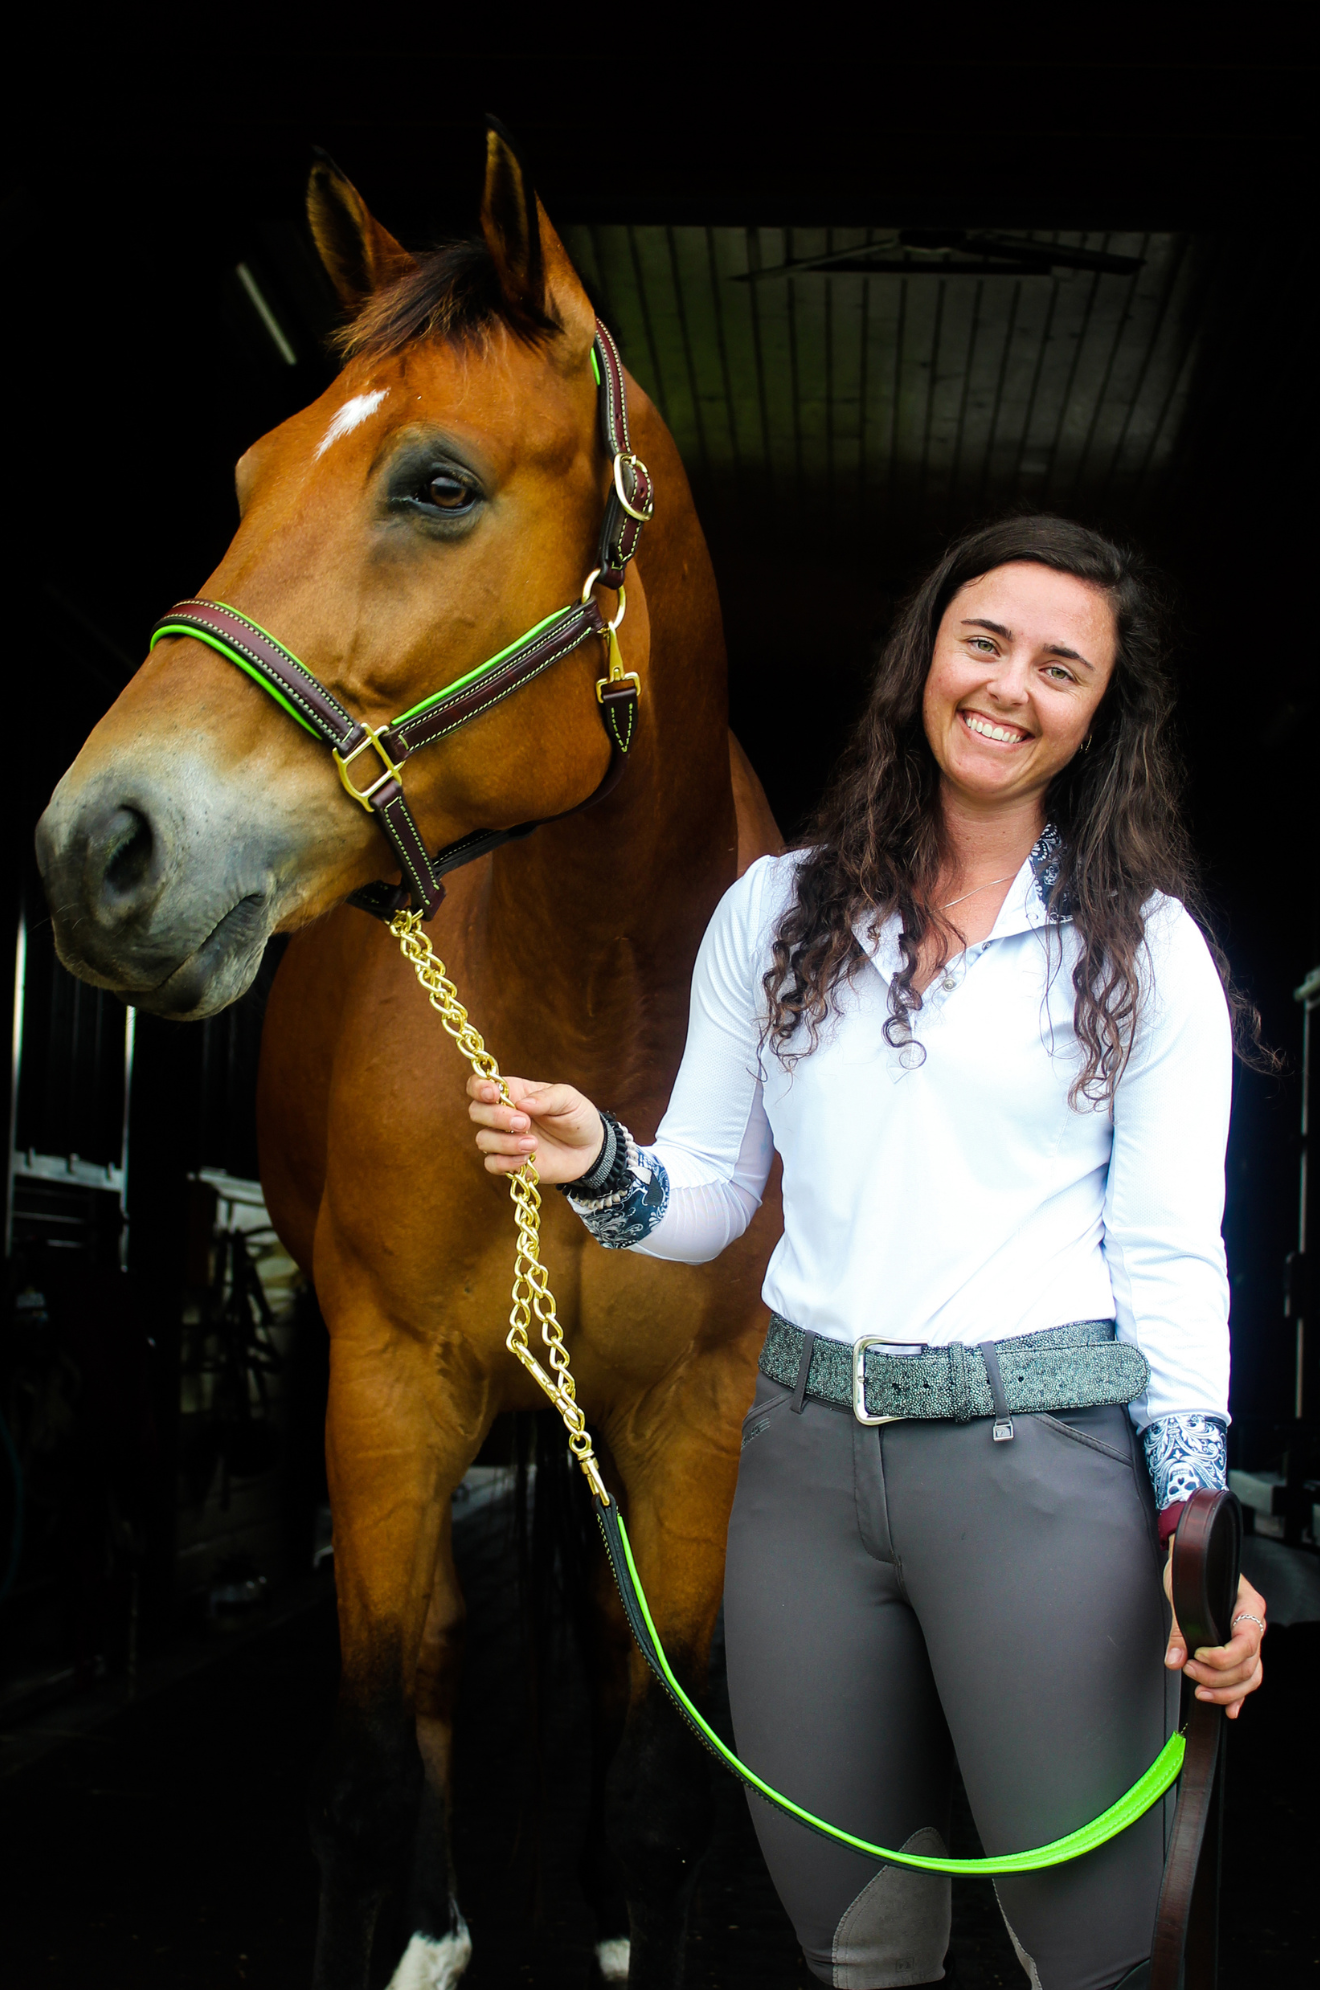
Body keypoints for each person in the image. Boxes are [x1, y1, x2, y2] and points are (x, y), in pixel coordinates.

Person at [467, 516, 1268, 1990]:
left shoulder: (1146, 951)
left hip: (1047, 1469)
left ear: (1100, 714)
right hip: (802, 1471)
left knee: (1086, 1946)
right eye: (986, 642)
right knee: (852, 1938)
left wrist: (1193, 1530)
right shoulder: (773, 910)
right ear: (926, 660)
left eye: (1061, 666)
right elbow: (707, 1194)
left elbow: (1170, 1259)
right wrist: (600, 1163)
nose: (1011, 686)